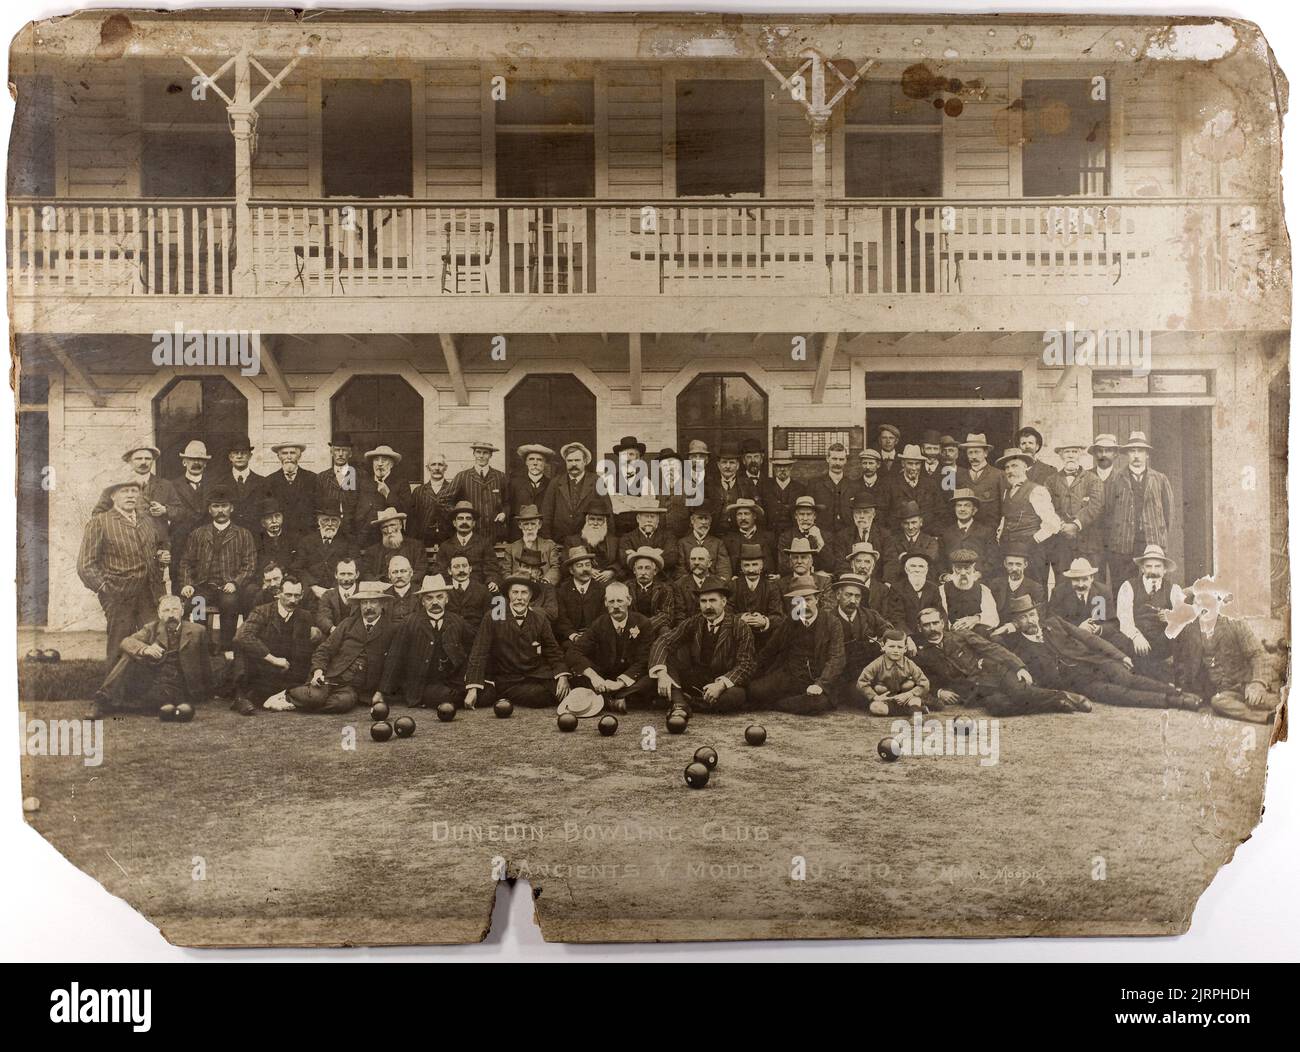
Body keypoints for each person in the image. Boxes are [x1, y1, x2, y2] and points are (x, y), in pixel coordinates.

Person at [1000, 594, 1199, 710]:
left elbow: (1089, 638)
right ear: (1016, 622)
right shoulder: (1020, 648)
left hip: (1096, 662)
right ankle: (1176, 702)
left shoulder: (1054, 623)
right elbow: (995, 643)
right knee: (1120, 694)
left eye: (1032, 614)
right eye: (1024, 618)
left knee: (1127, 679)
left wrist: (1119, 655)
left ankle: (1176, 691)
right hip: (1080, 683)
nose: (1031, 620)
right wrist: (1009, 628)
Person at [912, 606, 1089, 716]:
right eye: (926, 625)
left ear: (942, 623)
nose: (932, 628)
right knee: (999, 707)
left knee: (1020, 694)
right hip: (976, 690)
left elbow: (992, 648)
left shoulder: (961, 636)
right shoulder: (922, 655)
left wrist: (1019, 667)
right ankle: (1055, 704)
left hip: (996, 672)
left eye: (935, 623)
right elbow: (925, 679)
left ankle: (1064, 696)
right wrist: (938, 692)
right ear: (920, 628)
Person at [78, 480, 165, 665]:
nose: (131, 495)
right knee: (119, 643)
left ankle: (145, 690)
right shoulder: (100, 522)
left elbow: (154, 549)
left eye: (134, 491)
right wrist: (105, 588)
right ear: (112, 496)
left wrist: (160, 556)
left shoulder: (147, 521)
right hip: (118, 594)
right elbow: (85, 565)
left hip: (148, 594)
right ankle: (113, 692)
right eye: (124, 491)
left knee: (151, 641)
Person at [1172, 577, 1282, 724]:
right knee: (1218, 702)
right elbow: (1182, 663)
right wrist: (1184, 689)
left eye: (1207, 600)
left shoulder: (1235, 624)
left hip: (1245, 685)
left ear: (1218, 603)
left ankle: (1276, 707)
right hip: (1221, 694)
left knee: (1270, 701)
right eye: (1197, 601)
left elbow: (1257, 654)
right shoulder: (1189, 630)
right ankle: (1268, 717)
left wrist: (1258, 683)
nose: (1201, 605)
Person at [648, 576, 755, 716]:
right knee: (666, 660)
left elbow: (746, 664)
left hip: (724, 681)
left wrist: (720, 685)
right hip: (696, 679)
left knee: (731, 699)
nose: (708, 606)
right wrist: (662, 674)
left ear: (724, 602)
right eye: (703, 601)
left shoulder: (739, 626)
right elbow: (664, 641)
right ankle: (681, 702)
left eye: (712, 600)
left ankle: (682, 700)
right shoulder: (695, 622)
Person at [92, 595, 212, 719]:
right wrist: (145, 649)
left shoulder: (198, 631)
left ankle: (132, 705)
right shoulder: (151, 628)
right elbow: (126, 642)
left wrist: (207, 691)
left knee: (163, 706)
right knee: (129, 656)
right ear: (159, 614)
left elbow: (205, 663)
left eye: (175, 609)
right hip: (157, 682)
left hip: (183, 686)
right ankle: (101, 700)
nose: (171, 614)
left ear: (182, 611)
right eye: (166, 610)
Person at [287, 581, 396, 714]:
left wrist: (381, 692)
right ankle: (287, 695)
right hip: (330, 677)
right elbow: (324, 650)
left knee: (341, 703)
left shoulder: (391, 630)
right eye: (364, 603)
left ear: (382, 604)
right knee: (316, 697)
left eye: (373, 602)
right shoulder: (347, 624)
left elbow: (392, 665)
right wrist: (318, 672)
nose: (368, 607)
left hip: (354, 687)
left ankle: (301, 702)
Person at [463, 575, 570, 709]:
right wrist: (472, 688)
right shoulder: (493, 616)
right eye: (515, 592)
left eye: (524, 593)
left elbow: (553, 650)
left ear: (530, 596)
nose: (519, 598)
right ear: (508, 594)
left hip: (536, 674)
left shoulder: (540, 617)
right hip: (508, 678)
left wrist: (562, 676)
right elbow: (479, 652)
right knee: (538, 696)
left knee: (566, 689)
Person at [179, 485, 258, 656]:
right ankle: (205, 644)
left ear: (231, 508)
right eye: (216, 506)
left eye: (224, 506)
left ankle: (226, 646)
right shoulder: (198, 534)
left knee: (229, 603)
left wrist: (235, 583)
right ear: (210, 509)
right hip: (203, 586)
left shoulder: (243, 534)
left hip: (228, 586)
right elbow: (186, 561)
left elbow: (250, 564)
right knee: (197, 602)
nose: (220, 510)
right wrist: (187, 584)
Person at [748, 577, 844, 715]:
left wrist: (820, 684)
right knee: (755, 690)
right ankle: (788, 702)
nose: (804, 605)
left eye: (808, 599)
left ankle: (777, 704)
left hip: (817, 680)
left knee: (816, 703)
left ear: (817, 599)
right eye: (799, 601)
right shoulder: (790, 621)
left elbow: (837, 659)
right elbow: (770, 650)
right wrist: (749, 675)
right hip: (790, 677)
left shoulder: (832, 623)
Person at [379, 574, 477, 710]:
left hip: (453, 681)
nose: (435, 602)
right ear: (422, 601)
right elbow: (395, 656)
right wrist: (382, 691)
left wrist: (472, 683)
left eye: (440, 597)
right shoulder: (410, 622)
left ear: (447, 599)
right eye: (429, 598)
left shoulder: (457, 621)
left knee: (488, 693)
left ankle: (460, 698)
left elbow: (476, 648)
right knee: (443, 695)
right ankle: (457, 699)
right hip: (424, 683)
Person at [565, 581, 656, 712]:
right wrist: (594, 677)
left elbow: (644, 660)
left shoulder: (643, 623)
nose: (616, 606)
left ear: (629, 601)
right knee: (579, 677)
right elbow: (574, 651)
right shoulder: (599, 624)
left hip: (630, 679)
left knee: (651, 679)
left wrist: (620, 683)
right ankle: (619, 700)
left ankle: (609, 700)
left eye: (620, 601)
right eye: (611, 602)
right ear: (605, 603)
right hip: (604, 679)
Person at [232, 575, 316, 715]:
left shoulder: (305, 617)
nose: (292, 600)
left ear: (302, 596)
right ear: (279, 594)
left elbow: (303, 653)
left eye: (297, 596)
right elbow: (243, 636)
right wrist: (273, 659)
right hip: (262, 666)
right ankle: (240, 697)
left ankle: (273, 697)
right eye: (288, 595)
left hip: (286, 671)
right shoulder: (261, 611)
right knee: (240, 645)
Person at [1105, 431, 1176, 592]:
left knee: (1153, 584)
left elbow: (1168, 513)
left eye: (1140, 451)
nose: (1136, 455)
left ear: (1147, 455)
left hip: (1151, 541)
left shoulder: (1160, 479)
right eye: (1132, 451)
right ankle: (1123, 617)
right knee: (1122, 585)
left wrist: (1161, 537)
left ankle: (1152, 616)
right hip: (1122, 543)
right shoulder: (1115, 479)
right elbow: (1108, 512)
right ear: (1127, 454)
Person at [1115, 544, 1184, 680]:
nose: (1153, 571)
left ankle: (1161, 677)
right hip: (1136, 642)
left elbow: (1184, 617)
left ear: (1164, 570)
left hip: (1161, 643)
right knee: (1119, 639)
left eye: (1158, 566)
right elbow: (1124, 619)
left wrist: (1171, 617)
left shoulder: (1174, 589)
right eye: (1148, 566)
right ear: (1142, 568)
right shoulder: (1128, 586)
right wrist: (1136, 636)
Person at [995, 447, 1060, 590]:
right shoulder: (1007, 491)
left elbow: (1053, 523)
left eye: (1014, 466)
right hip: (1011, 550)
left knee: (1034, 588)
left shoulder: (1037, 490)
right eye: (1007, 467)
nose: (1010, 471)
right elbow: (1006, 518)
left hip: (1032, 551)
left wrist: (1034, 540)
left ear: (1025, 467)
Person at [1046, 437, 1104, 581]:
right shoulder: (1051, 481)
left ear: (1080, 455)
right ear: (1060, 456)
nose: (1071, 455)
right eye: (1067, 452)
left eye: (1074, 451)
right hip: (1061, 541)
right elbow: (1047, 507)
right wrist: (1061, 526)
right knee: (1063, 581)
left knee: (1089, 581)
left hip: (1087, 541)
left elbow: (1096, 505)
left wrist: (1076, 524)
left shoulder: (1093, 479)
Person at [829, 572, 892, 702]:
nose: (853, 600)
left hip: (867, 670)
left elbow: (887, 629)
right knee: (860, 695)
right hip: (842, 674)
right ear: (838, 595)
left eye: (857, 596)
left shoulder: (869, 615)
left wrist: (884, 641)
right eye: (848, 595)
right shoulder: (828, 619)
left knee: (888, 687)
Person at [1047, 558, 1121, 647]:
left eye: (1085, 579)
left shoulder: (1103, 592)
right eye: (1076, 580)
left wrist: (1099, 629)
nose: (1080, 584)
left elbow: (1113, 624)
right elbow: (1052, 624)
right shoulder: (1059, 593)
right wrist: (1078, 629)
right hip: (1071, 642)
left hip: (1097, 642)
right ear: (1070, 580)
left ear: (1092, 578)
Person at [167, 439, 213, 575]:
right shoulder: (171, 486)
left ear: (205, 463)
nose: (196, 463)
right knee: (179, 579)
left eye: (200, 460)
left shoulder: (214, 485)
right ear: (184, 462)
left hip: (207, 541)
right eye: (192, 459)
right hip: (180, 541)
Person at [857, 629, 929, 715]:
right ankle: (913, 711)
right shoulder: (876, 664)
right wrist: (875, 697)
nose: (896, 650)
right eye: (891, 646)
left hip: (905, 698)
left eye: (900, 647)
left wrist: (909, 694)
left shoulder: (909, 664)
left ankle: (914, 712)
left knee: (915, 699)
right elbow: (861, 682)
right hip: (885, 700)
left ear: (905, 649)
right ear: (883, 646)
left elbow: (924, 683)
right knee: (875, 708)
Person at [541, 442, 604, 541]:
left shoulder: (597, 481)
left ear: (584, 461)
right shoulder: (556, 482)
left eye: (577, 460)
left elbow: (607, 512)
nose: (573, 464)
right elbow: (547, 513)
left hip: (588, 541)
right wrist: (547, 539)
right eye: (570, 461)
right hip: (559, 541)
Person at [434, 500, 502, 592]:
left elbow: (492, 568)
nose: (464, 522)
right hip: (452, 590)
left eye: (468, 518)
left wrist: (492, 581)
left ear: (473, 523)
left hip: (478, 589)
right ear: (454, 523)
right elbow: (439, 571)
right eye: (460, 518)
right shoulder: (446, 546)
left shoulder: (484, 544)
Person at [354, 445, 411, 549]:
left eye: (384, 460)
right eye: (376, 460)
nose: (379, 464)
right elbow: (357, 511)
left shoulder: (401, 483)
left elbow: (406, 510)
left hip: (391, 537)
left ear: (392, 464)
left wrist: (388, 494)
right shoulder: (364, 483)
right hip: (366, 539)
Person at [452, 439, 509, 542]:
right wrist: (458, 514)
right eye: (478, 452)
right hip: (470, 532)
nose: (481, 456)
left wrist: (504, 513)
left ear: (491, 455)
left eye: (485, 453)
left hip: (495, 533)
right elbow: (446, 499)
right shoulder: (463, 476)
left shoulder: (500, 476)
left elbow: (508, 502)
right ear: (474, 454)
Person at [263, 441, 317, 542]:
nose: (288, 457)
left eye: (292, 453)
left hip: (307, 535)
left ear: (299, 456)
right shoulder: (269, 481)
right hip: (281, 537)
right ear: (279, 456)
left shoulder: (312, 479)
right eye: (284, 453)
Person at [730, 542, 784, 643]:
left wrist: (764, 621)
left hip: (765, 639)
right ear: (741, 567)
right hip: (738, 639)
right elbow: (726, 612)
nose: (751, 570)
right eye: (746, 565)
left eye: (755, 564)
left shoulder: (771, 587)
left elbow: (779, 616)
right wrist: (740, 618)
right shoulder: (733, 586)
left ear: (762, 565)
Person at [294, 507, 354, 597]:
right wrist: (314, 587)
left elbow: (355, 566)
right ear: (319, 521)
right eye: (325, 520)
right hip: (312, 591)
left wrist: (336, 588)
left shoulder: (348, 542)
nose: (330, 524)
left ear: (340, 522)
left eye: (334, 520)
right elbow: (298, 568)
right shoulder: (306, 541)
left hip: (340, 590)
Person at [938, 488, 998, 579]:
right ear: (954, 509)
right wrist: (945, 575)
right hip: (952, 582)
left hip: (978, 581)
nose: (962, 509)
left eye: (967, 505)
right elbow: (940, 559)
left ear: (974, 510)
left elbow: (993, 559)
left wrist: (980, 574)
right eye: (959, 505)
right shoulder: (946, 533)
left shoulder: (986, 532)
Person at [806, 442, 862, 536]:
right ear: (827, 459)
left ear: (845, 461)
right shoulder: (815, 484)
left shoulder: (854, 486)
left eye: (841, 459)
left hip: (847, 535)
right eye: (834, 459)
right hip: (821, 534)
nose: (837, 463)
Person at [886, 444, 945, 530]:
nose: (914, 468)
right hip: (899, 536)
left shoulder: (930, 484)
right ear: (903, 463)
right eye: (910, 463)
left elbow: (940, 511)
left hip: (927, 535)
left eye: (917, 464)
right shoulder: (891, 484)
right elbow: (884, 514)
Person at [361, 506, 426, 583]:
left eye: (392, 525)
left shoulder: (415, 546)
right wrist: (379, 583)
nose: (389, 530)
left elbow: (420, 570)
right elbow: (366, 573)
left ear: (400, 525)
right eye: (385, 527)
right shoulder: (372, 551)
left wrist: (402, 584)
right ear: (381, 530)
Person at [556, 546, 607, 642]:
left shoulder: (601, 589)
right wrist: (574, 636)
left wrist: (591, 635)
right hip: (570, 639)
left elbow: (603, 618)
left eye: (587, 565)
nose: (585, 569)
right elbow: (562, 620)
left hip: (596, 637)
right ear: (571, 570)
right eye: (580, 566)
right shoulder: (562, 590)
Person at [501, 504, 562, 584]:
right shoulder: (511, 548)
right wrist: (515, 584)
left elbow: (555, 568)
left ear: (539, 525)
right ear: (520, 525)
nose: (530, 528)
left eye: (533, 524)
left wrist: (546, 581)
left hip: (543, 587)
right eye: (526, 524)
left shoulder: (549, 546)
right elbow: (506, 572)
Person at [988, 543, 1046, 628]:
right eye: (1010, 564)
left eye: (1018, 564)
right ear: (1005, 564)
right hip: (997, 628)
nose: (1014, 568)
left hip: (1022, 630)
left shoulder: (1036, 588)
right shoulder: (995, 584)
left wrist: (1013, 626)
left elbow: (1039, 617)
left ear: (1025, 565)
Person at [940, 548, 998, 631]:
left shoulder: (983, 590)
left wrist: (976, 619)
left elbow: (994, 618)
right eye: (959, 568)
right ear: (953, 568)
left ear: (973, 567)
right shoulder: (942, 590)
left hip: (977, 634)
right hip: (952, 634)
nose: (963, 573)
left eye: (967, 568)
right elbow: (940, 618)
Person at [217, 434, 266, 533]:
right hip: (228, 535)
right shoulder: (220, 482)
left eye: (243, 453)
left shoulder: (262, 482)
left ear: (250, 456)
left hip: (254, 534)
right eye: (236, 453)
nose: (239, 456)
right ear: (230, 457)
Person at [565, 500, 622, 582]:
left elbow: (621, 563)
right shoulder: (572, 541)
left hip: (607, 581)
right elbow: (566, 565)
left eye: (599, 520)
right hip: (581, 580)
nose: (595, 523)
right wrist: (587, 570)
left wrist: (612, 572)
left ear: (604, 522)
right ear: (586, 520)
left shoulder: (614, 541)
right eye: (592, 519)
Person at [884, 501, 939, 587]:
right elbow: (891, 566)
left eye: (914, 522)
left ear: (921, 522)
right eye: (906, 523)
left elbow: (929, 563)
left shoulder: (930, 541)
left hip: (924, 584)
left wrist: (902, 557)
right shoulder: (893, 541)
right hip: (900, 585)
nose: (910, 527)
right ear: (901, 524)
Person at [315, 432, 360, 536]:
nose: (340, 454)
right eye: (337, 450)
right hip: (329, 530)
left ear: (350, 453)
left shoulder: (359, 476)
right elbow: (317, 507)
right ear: (331, 452)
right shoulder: (321, 477)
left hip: (353, 532)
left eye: (344, 450)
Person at [409, 451, 457, 549]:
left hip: (449, 540)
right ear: (428, 468)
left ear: (446, 468)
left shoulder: (454, 490)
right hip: (423, 541)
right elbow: (412, 520)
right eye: (433, 464)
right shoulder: (418, 491)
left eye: (440, 464)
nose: (436, 468)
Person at [777, 496, 835, 575]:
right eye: (801, 514)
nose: (805, 518)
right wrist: (814, 573)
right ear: (795, 516)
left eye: (809, 514)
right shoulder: (786, 537)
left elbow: (831, 566)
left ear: (814, 516)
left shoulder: (826, 536)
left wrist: (820, 542)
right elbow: (783, 567)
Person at [625, 546, 675, 637]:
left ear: (655, 571)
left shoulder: (665, 589)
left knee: (665, 630)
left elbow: (666, 615)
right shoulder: (626, 588)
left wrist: (644, 626)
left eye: (647, 568)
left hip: (655, 626)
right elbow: (624, 611)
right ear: (634, 571)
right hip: (631, 626)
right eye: (640, 568)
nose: (643, 572)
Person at [618, 502, 678, 578]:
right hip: (634, 579)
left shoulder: (668, 537)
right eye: (646, 516)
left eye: (652, 517)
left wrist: (636, 554)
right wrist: (657, 553)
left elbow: (671, 559)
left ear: (658, 520)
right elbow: (624, 560)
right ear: (638, 519)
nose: (649, 520)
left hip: (662, 579)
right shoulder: (627, 538)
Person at [674, 501, 732, 580]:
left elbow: (724, 570)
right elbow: (680, 571)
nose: (704, 522)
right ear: (692, 520)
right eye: (700, 518)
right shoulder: (682, 543)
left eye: (706, 518)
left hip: (713, 586)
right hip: (689, 587)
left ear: (710, 522)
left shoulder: (718, 543)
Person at [508, 444, 555, 538]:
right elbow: (509, 509)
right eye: (531, 459)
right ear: (526, 462)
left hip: (544, 535)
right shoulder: (514, 483)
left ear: (545, 463)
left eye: (539, 459)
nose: (535, 463)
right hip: (519, 535)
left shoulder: (553, 484)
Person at [956, 433, 1002, 526]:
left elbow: (1004, 506)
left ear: (985, 453)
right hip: (968, 531)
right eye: (970, 452)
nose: (973, 456)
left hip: (990, 529)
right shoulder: (959, 476)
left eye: (977, 452)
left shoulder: (999, 475)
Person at [722, 497, 776, 575]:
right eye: (739, 514)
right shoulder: (728, 540)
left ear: (754, 516)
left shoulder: (769, 537)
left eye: (746, 514)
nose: (743, 518)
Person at [759, 448, 806, 535]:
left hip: (793, 535)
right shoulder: (764, 487)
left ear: (791, 467)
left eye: (786, 466)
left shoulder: (801, 489)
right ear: (773, 467)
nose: (782, 469)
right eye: (778, 466)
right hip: (770, 535)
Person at [444, 553, 491, 628]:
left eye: (465, 566)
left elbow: (488, 620)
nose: (461, 570)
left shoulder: (482, 590)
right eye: (456, 567)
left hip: (475, 635)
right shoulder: (443, 590)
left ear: (470, 569)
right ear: (449, 571)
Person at [316, 557, 360, 635]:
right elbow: (323, 617)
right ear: (336, 575)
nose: (346, 578)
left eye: (350, 574)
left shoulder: (363, 593)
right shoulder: (328, 595)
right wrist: (332, 629)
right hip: (334, 637)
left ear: (357, 575)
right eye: (342, 574)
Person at [384, 556, 419, 626]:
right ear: (389, 575)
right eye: (394, 572)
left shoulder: (420, 593)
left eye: (403, 571)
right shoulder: (384, 596)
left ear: (411, 572)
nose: (399, 576)